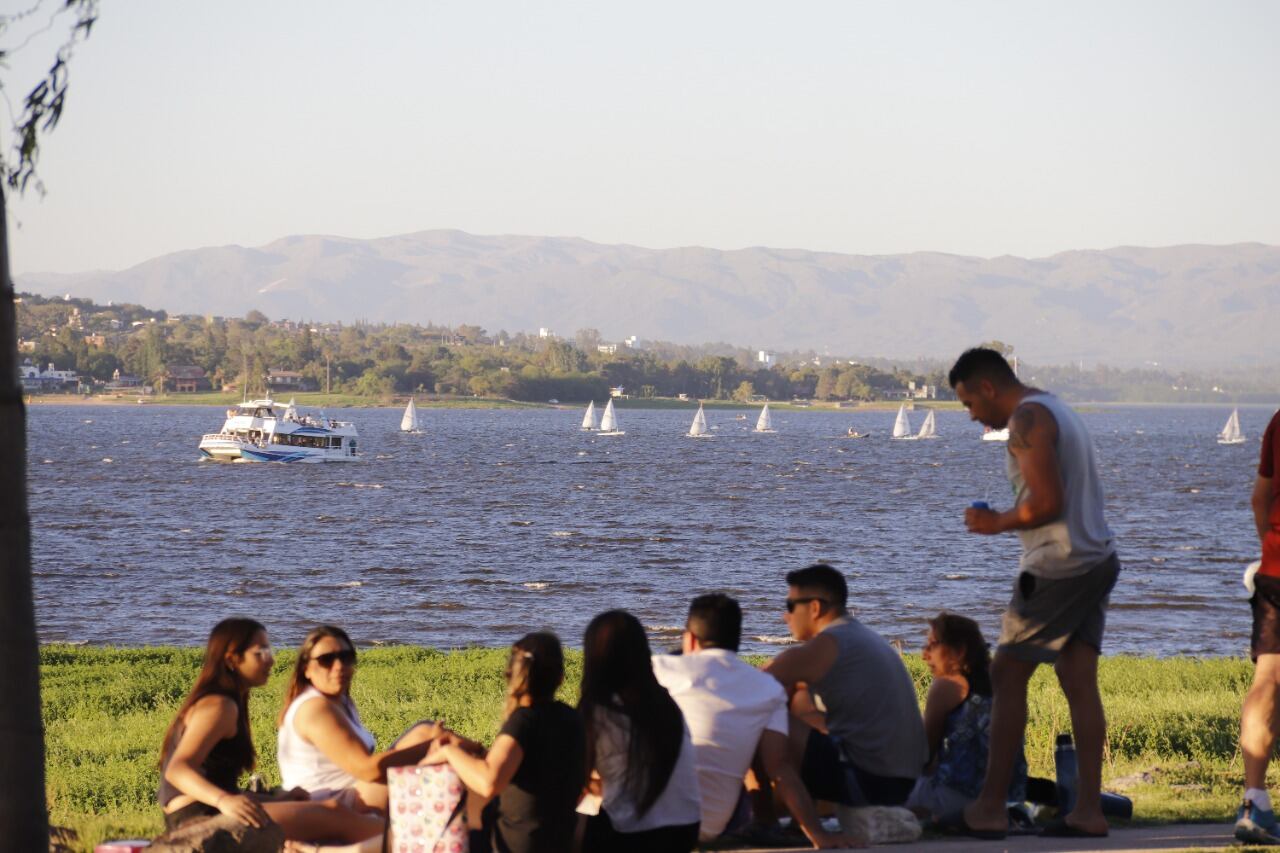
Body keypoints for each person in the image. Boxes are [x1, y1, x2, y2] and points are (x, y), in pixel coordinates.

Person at [950, 347, 1121, 840]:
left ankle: (988, 807)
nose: (971, 415)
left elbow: (1047, 503)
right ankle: (1088, 810)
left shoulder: (1027, 419)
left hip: (1058, 565)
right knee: (1077, 676)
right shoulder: (1056, 408)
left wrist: (994, 522)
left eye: (968, 403)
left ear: (988, 387)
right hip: (1096, 557)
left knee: (1005, 674)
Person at [650, 594, 861, 849]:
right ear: (737, 641)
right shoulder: (766, 688)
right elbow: (780, 768)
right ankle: (765, 822)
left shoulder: (659, 669)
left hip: (642, 818)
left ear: (691, 639)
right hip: (709, 826)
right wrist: (817, 834)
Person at [158, 618, 382, 843]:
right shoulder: (220, 706)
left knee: (327, 810)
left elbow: (220, 783)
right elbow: (178, 770)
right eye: (260, 652)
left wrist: (276, 798)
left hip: (209, 809)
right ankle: (404, 837)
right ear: (232, 659)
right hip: (200, 819)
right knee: (335, 815)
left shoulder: (229, 702)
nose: (271, 659)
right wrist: (224, 800)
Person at [763, 564, 928, 811]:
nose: (785, 616)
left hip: (871, 786)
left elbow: (746, 690)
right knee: (798, 694)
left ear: (815, 607)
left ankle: (758, 814)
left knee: (763, 718)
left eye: (790, 607)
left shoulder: (827, 644)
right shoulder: (860, 636)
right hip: (904, 784)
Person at [423, 632, 585, 853]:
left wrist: (450, 752)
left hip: (512, 844)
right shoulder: (572, 718)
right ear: (560, 677)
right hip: (557, 842)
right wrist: (473, 748)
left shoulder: (524, 721)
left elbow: (489, 783)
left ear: (510, 675)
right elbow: (531, 764)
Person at [276, 625, 443, 811]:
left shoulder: (340, 700)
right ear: (306, 668)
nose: (338, 666)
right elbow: (367, 770)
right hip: (325, 804)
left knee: (424, 731)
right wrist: (434, 746)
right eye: (326, 660)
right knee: (434, 744)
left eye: (346, 658)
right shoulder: (315, 708)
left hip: (351, 793)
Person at [578, 610, 702, 852]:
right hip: (686, 830)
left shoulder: (600, 710)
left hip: (630, 837)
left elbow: (570, 783)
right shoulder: (666, 703)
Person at [906, 612, 1026, 821]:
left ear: (959, 651)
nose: (924, 654)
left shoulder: (948, 685)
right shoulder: (998, 680)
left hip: (958, 796)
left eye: (932, 645)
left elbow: (922, 756)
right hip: (1008, 797)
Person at [1237, 407, 1280, 845]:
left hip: (1275, 569)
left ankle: (1253, 801)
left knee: (1267, 678)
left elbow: (1259, 498)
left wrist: (1269, 549)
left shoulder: (1279, 420)